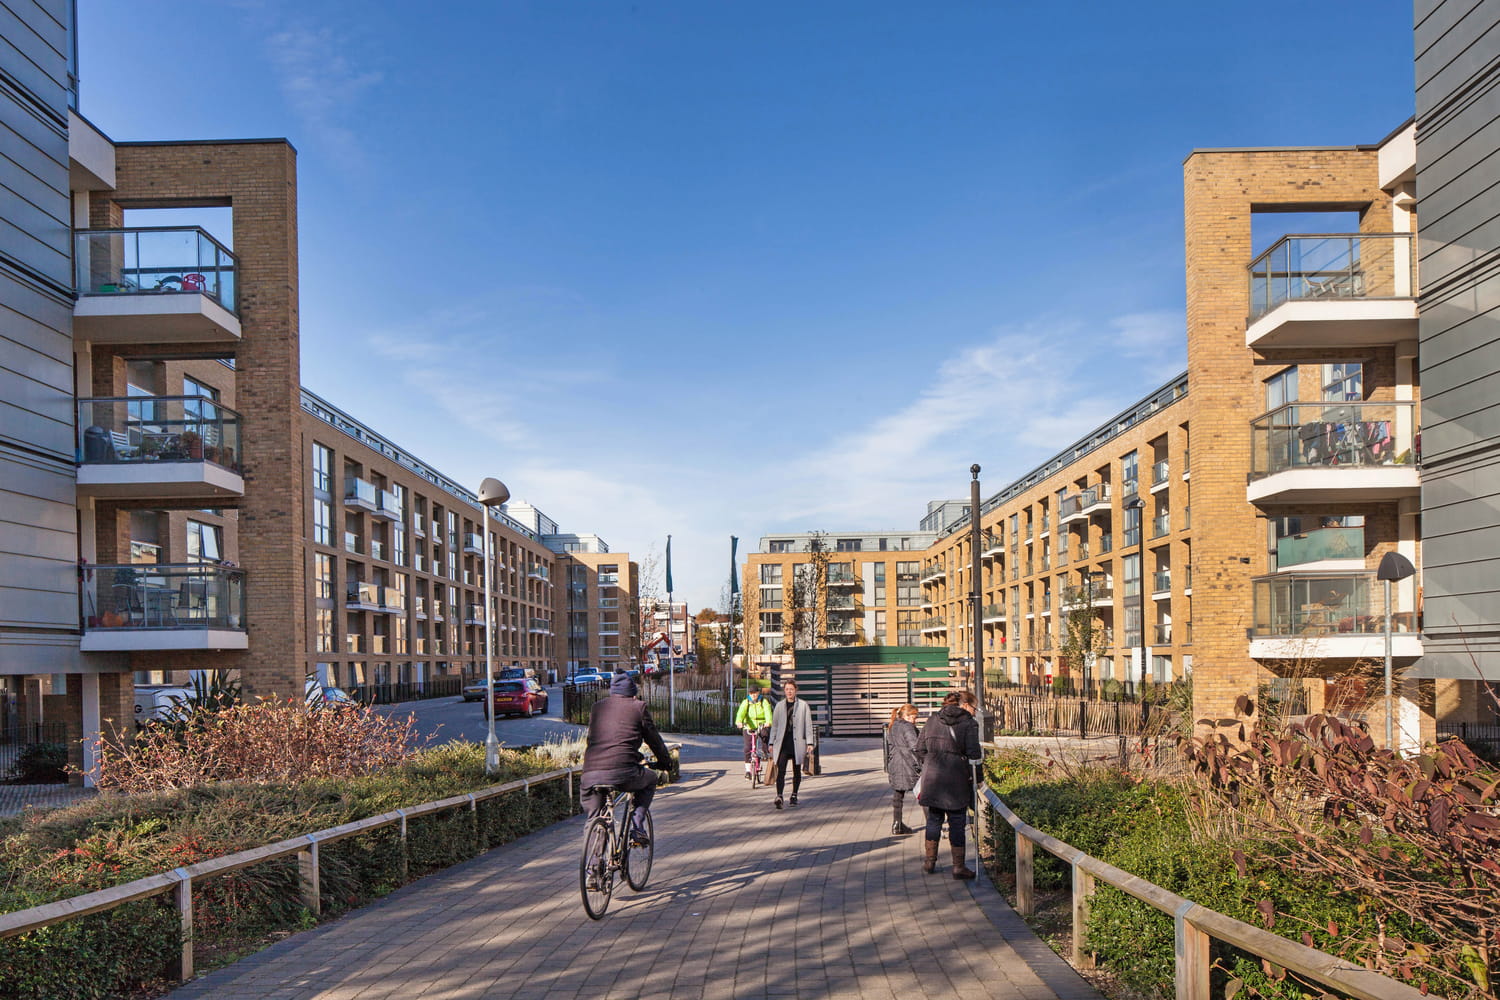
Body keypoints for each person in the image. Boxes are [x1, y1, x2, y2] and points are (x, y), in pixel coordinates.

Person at [580, 672, 673, 846]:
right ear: (633, 692)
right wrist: (665, 762)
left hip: (590, 773)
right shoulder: (638, 707)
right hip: (623, 772)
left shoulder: (597, 707)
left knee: (596, 817)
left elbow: (592, 740)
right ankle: (637, 826)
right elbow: (653, 739)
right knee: (650, 779)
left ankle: (593, 869)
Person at [915, 689, 982, 879]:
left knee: (934, 819)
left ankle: (929, 862)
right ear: (966, 705)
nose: (975, 712)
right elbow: (974, 755)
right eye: (974, 707)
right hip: (956, 779)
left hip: (933, 778)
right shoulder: (969, 724)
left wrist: (930, 763)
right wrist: (978, 778)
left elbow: (919, 749)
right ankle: (958, 867)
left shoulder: (932, 720)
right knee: (957, 822)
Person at [767, 679, 815, 810]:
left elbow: (808, 725)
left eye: (791, 689)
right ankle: (779, 796)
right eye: (787, 689)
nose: (789, 692)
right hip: (782, 743)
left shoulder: (803, 706)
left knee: (796, 770)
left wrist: (810, 742)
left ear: (796, 691)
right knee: (780, 770)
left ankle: (794, 795)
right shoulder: (779, 706)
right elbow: (775, 726)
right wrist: (771, 742)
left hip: (798, 742)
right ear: (784, 691)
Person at [884, 704, 921, 836]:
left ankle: (897, 824)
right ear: (906, 716)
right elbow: (914, 747)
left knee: (898, 795)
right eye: (913, 717)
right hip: (908, 765)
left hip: (895, 764)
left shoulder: (893, 726)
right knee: (924, 794)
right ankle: (933, 826)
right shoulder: (908, 727)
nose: (915, 720)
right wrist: (922, 762)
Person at [734, 685, 773, 780]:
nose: (753, 695)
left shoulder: (764, 702)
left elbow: (768, 712)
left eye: (755, 693)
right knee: (747, 748)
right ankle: (748, 771)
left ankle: (764, 751)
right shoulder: (746, 702)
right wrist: (739, 722)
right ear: (749, 694)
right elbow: (741, 713)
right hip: (749, 725)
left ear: (758, 693)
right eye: (751, 694)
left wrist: (768, 722)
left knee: (765, 734)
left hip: (762, 724)